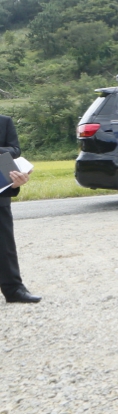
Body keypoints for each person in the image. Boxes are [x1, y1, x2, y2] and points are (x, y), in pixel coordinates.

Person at [0, 114, 37, 303]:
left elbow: (15, 150)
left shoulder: (4, 121)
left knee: (4, 245)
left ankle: (14, 290)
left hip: (1, 189)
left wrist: (15, 183)